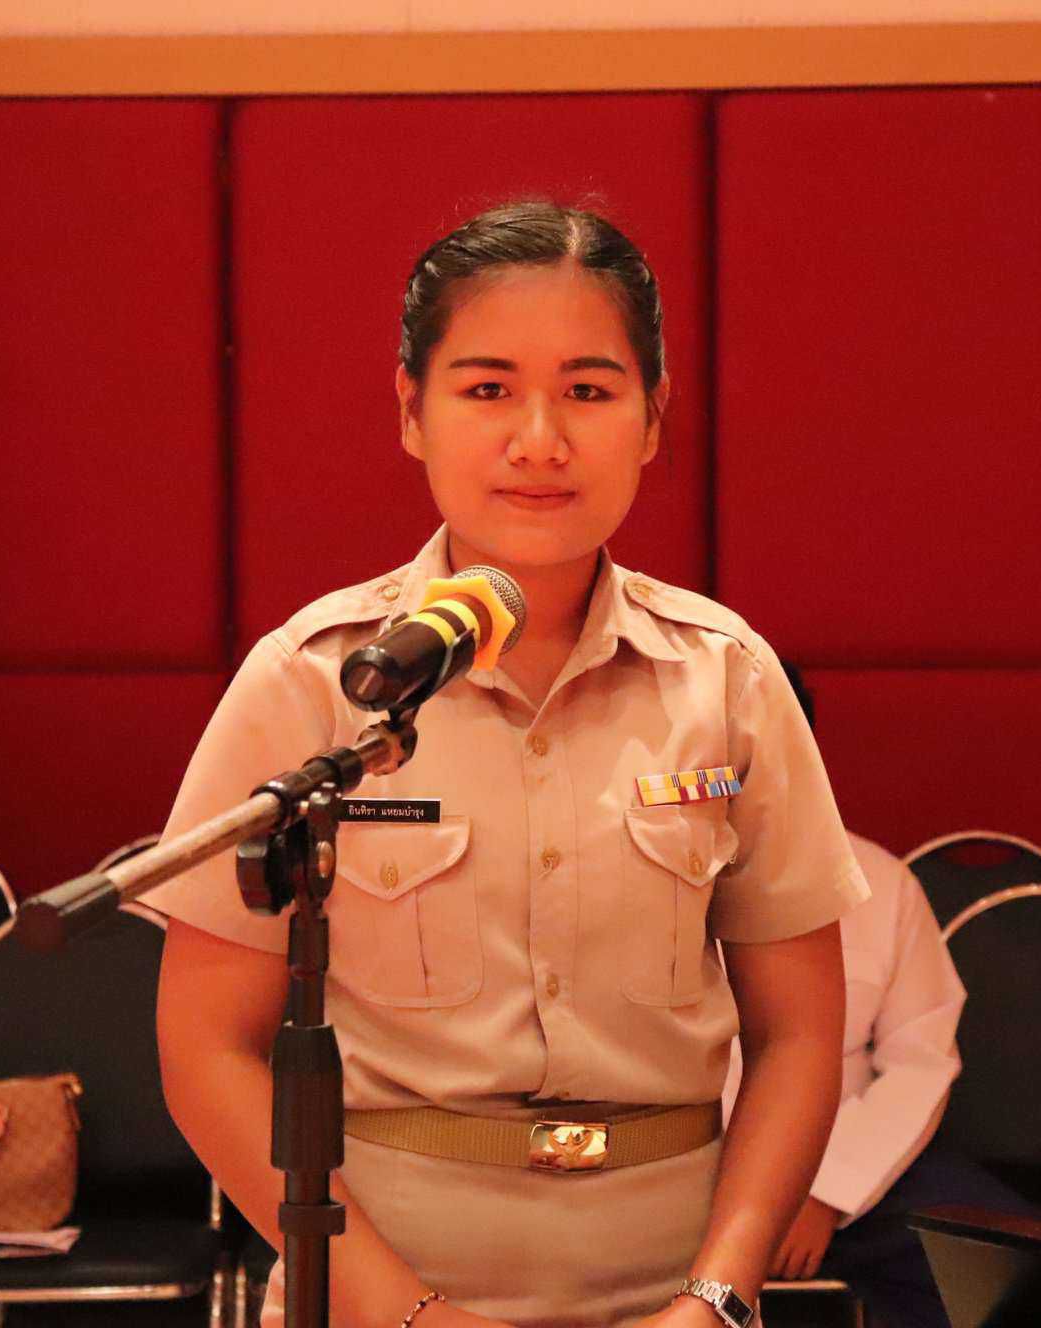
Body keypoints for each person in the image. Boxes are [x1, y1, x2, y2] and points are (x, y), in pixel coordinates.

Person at [146, 201, 870, 1328]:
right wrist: (415, 1316)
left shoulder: (729, 680)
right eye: (488, 389)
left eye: (589, 390)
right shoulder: (313, 681)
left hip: (672, 1292)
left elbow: (801, 1036)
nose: (540, 439)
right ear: (412, 411)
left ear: (653, 417)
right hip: (377, 1294)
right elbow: (206, 1046)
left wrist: (717, 1299)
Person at [723, 661, 1041, 1328]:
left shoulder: (879, 881)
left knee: (1027, 1269)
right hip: (679, 1181)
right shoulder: (634, 880)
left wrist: (827, 1191)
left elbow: (921, 1061)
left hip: (849, 1169)